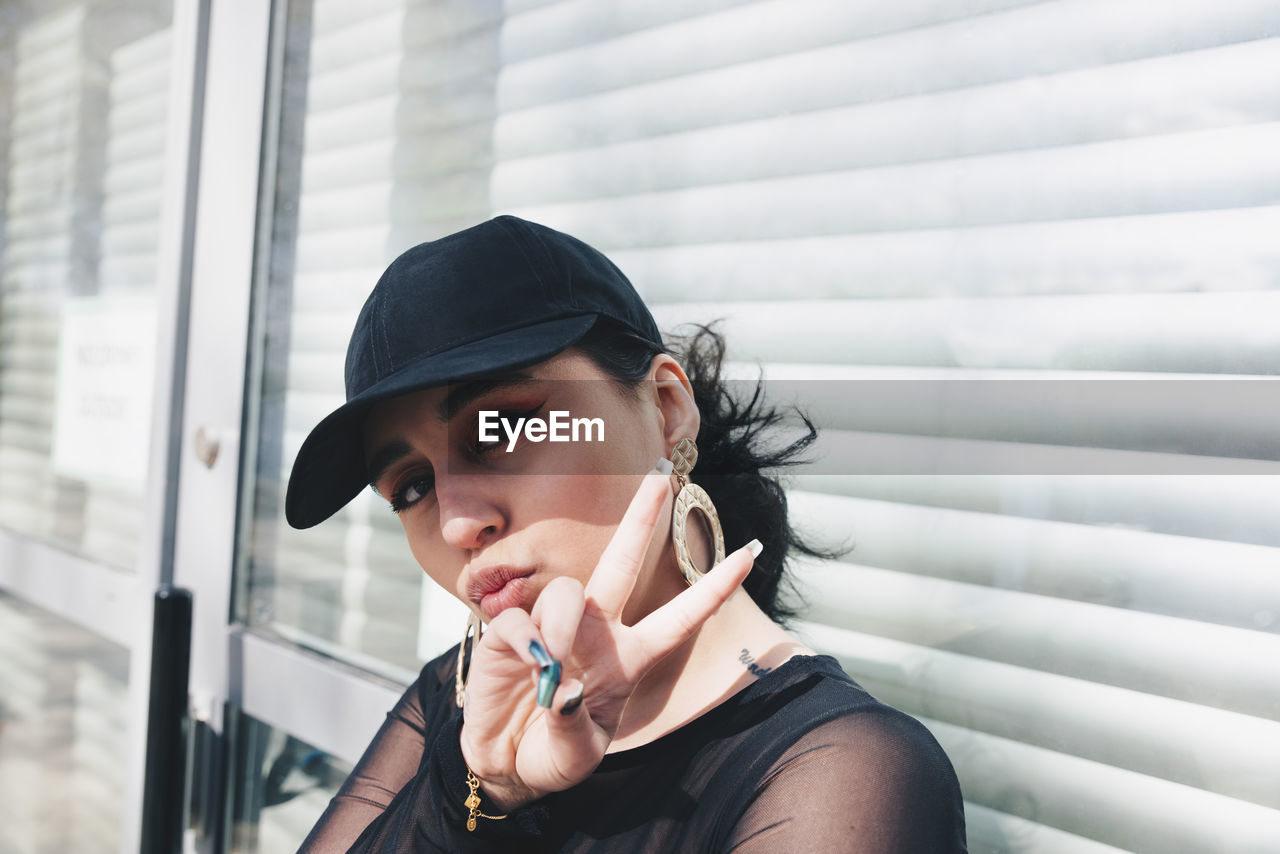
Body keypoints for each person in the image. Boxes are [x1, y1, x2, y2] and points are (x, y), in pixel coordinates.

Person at [286, 216, 967, 852]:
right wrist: (483, 795)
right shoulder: (463, 699)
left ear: (667, 411)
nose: (458, 522)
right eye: (411, 487)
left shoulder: (843, 772)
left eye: (503, 429)